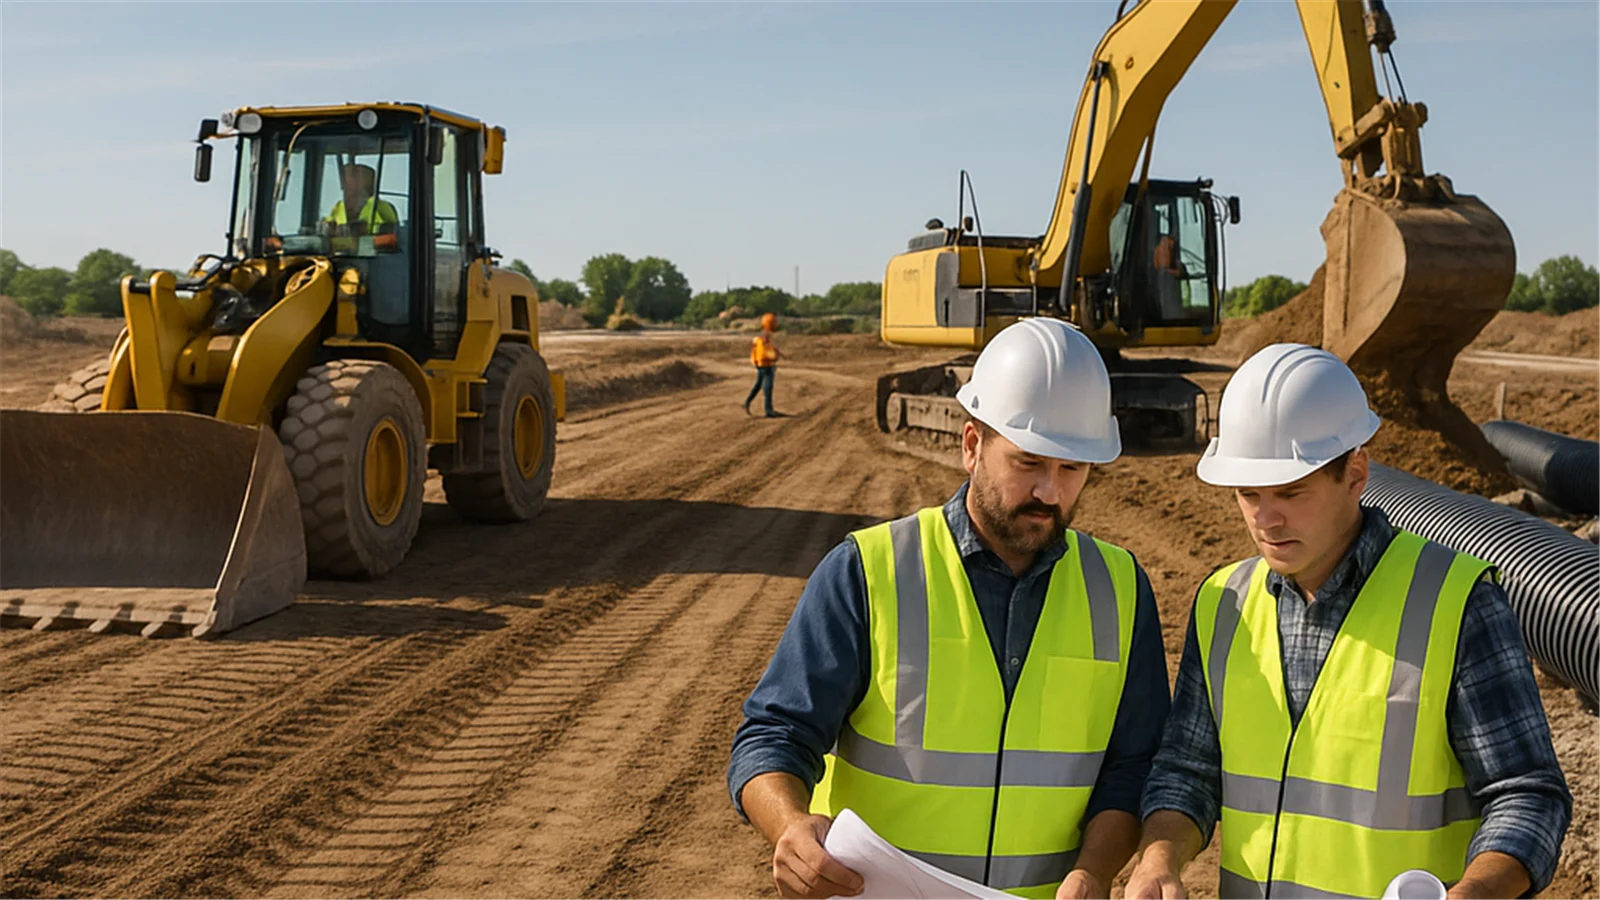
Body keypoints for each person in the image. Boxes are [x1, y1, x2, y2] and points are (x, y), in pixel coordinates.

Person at [728, 318, 1173, 900]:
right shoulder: (869, 571)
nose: (1050, 492)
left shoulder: (1119, 587)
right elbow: (774, 733)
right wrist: (788, 828)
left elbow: (1132, 766)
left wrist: (1093, 869)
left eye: (1072, 469)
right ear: (971, 446)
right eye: (1028, 462)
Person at [1126, 343, 1571, 900]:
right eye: (1247, 494)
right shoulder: (1223, 603)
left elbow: (1527, 795)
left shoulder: (1455, 603)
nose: (1266, 520)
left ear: (1355, 472)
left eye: (1291, 492)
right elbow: (1187, 770)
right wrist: (1159, 856)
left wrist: (1478, 890)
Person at [325, 163, 398, 237]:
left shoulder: (381, 207)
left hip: (370, 247)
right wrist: (327, 227)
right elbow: (327, 225)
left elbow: (393, 233)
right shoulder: (339, 207)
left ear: (368, 188)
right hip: (341, 247)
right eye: (346, 187)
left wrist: (367, 229)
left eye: (354, 189)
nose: (348, 191)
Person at [745, 312, 784, 418]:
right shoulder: (763, 337)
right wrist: (774, 357)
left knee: (759, 385)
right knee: (767, 387)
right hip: (765, 365)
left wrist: (775, 352)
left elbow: (766, 349)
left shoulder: (763, 336)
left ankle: (747, 403)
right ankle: (768, 410)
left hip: (764, 364)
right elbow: (763, 353)